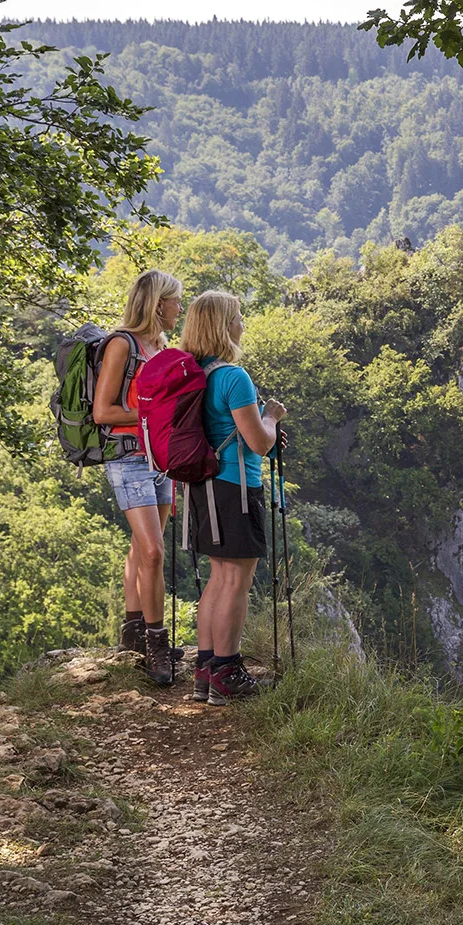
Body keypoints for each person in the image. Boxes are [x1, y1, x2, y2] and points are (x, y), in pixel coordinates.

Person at [179, 290, 286, 705]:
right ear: (225, 326)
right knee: (236, 582)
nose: (243, 324)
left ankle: (205, 672)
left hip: (200, 486)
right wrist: (271, 416)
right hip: (236, 487)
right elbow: (259, 443)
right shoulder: (232, 377)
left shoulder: (193, 374)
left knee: (217, 579)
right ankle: (228, 672)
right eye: (238, 317)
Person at [92, 268, 184, 685]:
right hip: (127, 459)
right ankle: (156, 644)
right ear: (157, 303)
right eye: (175, 301)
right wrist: (154, 414)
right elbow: (103, 412)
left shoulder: (160, 345)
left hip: (160, 460)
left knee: (142, 548)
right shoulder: (121, 344)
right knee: (152, 554)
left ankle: (131, 630)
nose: (179, 308)